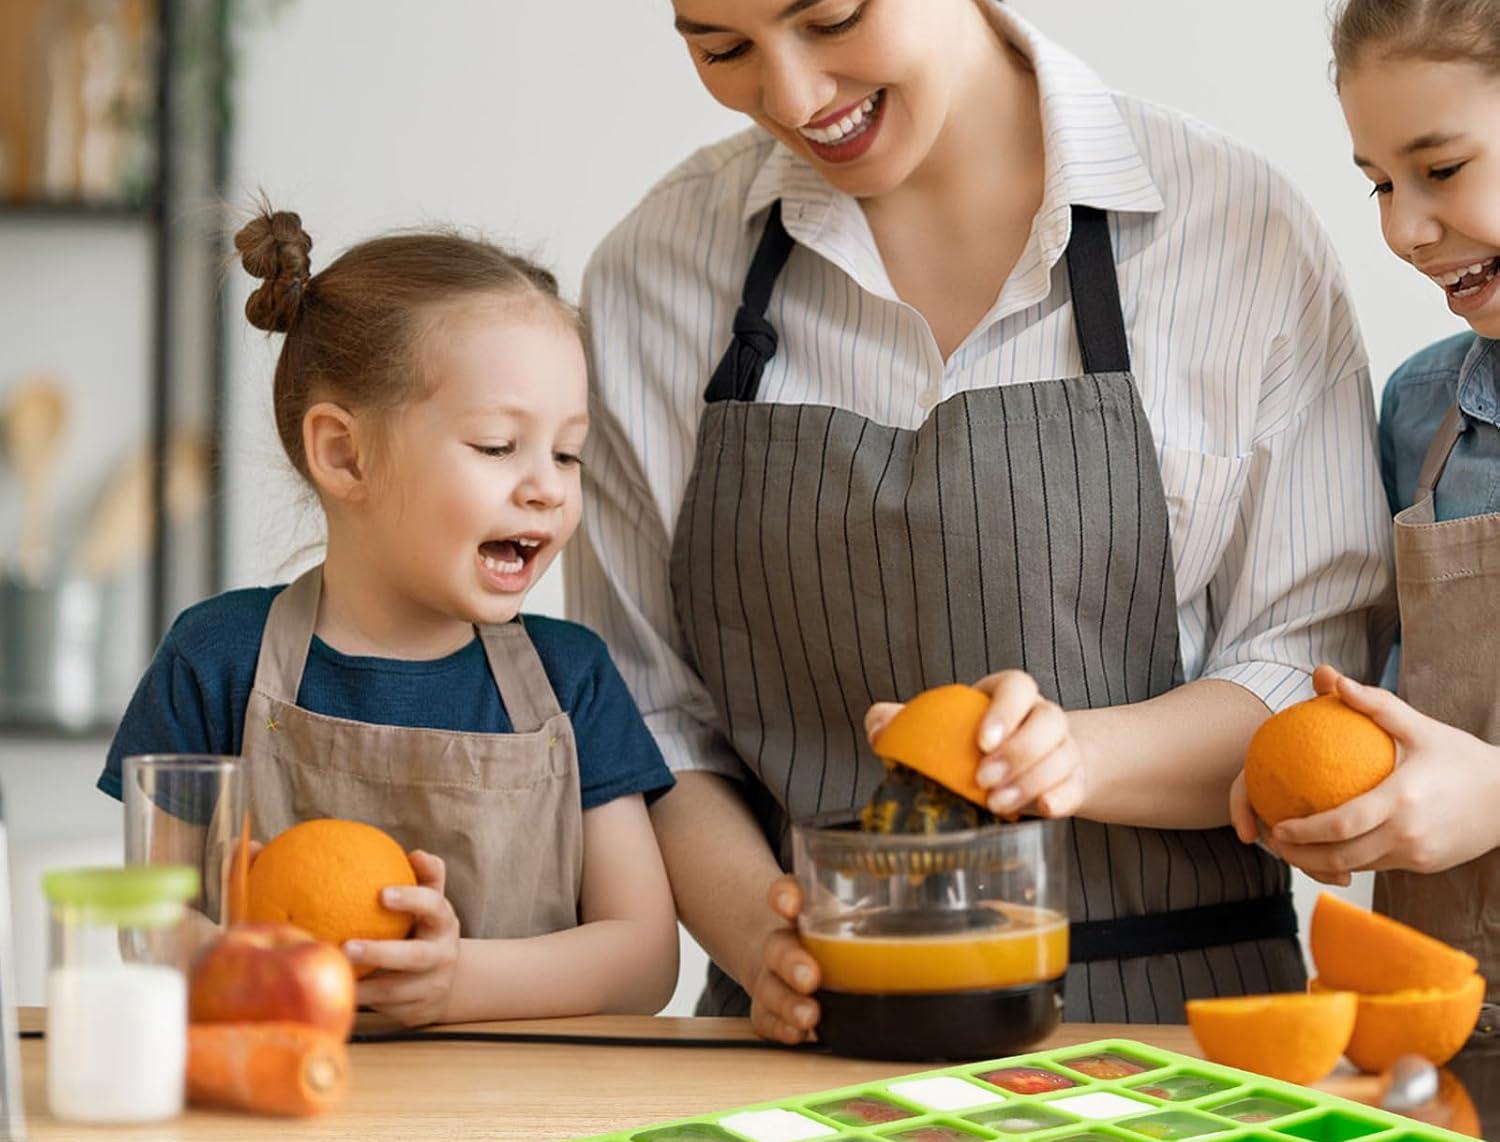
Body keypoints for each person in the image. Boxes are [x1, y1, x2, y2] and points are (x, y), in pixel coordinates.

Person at [567, 0, 1396, 1043]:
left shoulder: (1232, 229)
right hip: (806, 1045)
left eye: (830, 18)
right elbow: (645, 713)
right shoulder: (655, 274)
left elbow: (1308, 664)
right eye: (720, 48)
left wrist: (1070, 754)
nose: (789, 95)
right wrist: (758, 935)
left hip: (1187, 1040)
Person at [101, 210, 679, 1025]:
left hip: (517, 1129)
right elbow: (143, 917)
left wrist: (455, 983)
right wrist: (250, 962)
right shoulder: (217, 659)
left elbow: (645, 956)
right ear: (344, 454)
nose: (548, 487)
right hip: (268, 1106)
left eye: (566, 452)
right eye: (495, 446)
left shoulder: (570, 680)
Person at [1234, 0, 1500, 1005]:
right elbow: (1378, 690)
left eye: (1441, 169)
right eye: (1381, 184)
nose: (1403, 228)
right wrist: (1308, 773)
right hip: (1442, 1037)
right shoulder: (1423, 412)